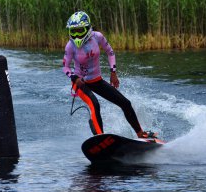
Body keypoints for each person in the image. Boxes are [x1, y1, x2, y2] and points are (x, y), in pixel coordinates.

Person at [62, 11, 157, 139]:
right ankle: (100, 138)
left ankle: (140, 133)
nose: (77, 35)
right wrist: (74, 77)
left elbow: (110, 52)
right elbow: (66, 67)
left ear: (88, 28)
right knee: (95, 104)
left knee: (125, 103)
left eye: (80, 30)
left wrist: (113, 72)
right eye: (74, 31)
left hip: (96, 81)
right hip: (80, 83)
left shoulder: (97, 37)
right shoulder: (70, 46)